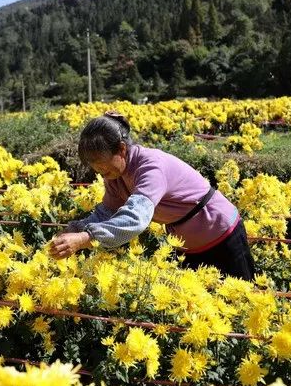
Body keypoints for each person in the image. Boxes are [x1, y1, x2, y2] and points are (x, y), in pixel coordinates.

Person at [48, 112, 255, 280]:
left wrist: (86, 238)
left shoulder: (150, 167)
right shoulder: (115, 176)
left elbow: (135, 218)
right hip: (187, 243)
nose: (102, 173)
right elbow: (105, 213)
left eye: (103, 166)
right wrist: (75, 228)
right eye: (97, 169)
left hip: (222, 234)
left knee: (240, 304)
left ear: (121, 149)